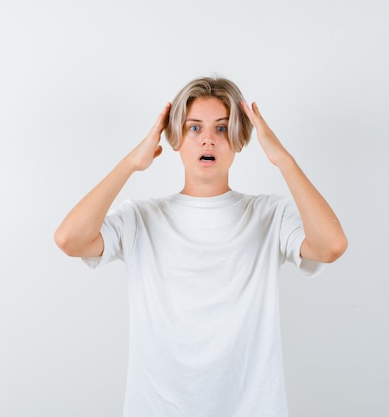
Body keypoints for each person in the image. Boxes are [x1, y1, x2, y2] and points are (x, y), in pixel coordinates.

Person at [54, 76, 348, 417]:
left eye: (222, 129)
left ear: (239, 138)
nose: (208, 139)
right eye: (194, 128)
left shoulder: (269, 215)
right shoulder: (141, 219)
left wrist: (283, 159)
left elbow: (331, 246)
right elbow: (69, 239)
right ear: (175, 138)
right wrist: (131, 163)